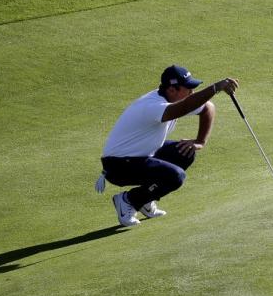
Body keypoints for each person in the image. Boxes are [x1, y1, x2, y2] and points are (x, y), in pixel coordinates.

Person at [96, 65, 238, 227]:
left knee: (185, 152)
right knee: (175, 177)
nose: (191, 93)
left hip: (143, 155)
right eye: (188, 89)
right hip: (118, 166)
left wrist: (200, 141)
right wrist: (215, 88)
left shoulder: (170, 99)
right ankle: (128, 200)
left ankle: (145, 199)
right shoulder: (153, 106)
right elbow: (186, 106)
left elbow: (208, 108)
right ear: (172, 89)